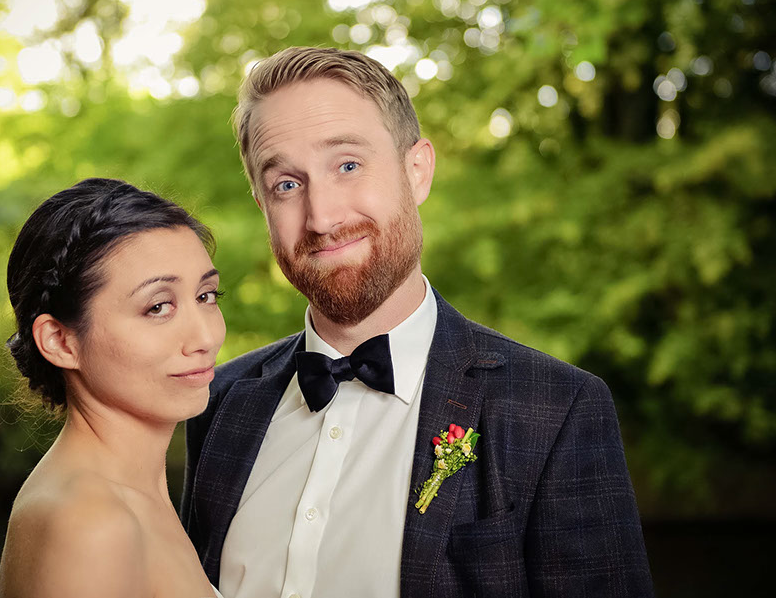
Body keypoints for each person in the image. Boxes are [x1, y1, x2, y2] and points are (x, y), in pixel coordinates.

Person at [181, 47, 654, 597]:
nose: (322, 217)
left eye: (348, 166)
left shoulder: (556, 410)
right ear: (263, 206)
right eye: (286, 184)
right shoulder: (217, 403)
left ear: (417, 171)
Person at [0, 178, 226, 598]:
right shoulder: (90, 523)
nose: (206, 337)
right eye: (158, 307)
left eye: (206, 296)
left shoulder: (132, 496)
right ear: (60, 341)